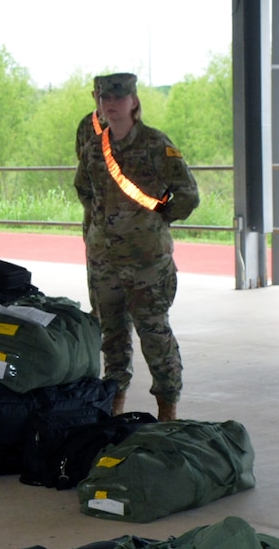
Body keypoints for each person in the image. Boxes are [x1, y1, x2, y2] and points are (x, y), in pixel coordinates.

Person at [72, 73, 199, 420]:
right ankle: (114, 404)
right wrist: (101, 224)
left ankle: (167, 406)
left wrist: (156, 221)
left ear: (134, 101)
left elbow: (188, 193)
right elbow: (84, 189)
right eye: (105, 99)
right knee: (112, 336)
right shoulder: (95, 148)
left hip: (146, 262)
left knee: (154, 333)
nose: (111, 104)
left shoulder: (156, 145)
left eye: (119, 98)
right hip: (105, 261)